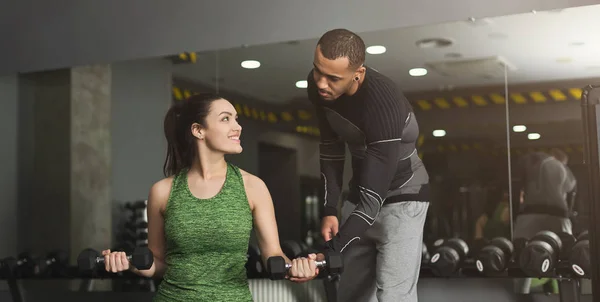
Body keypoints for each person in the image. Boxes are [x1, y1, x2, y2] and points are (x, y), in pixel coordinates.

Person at [101, 93, 319, 301]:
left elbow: (273, 255)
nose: (238, 127)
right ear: (198, 130)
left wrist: (297, 268)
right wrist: (129, 263)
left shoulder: (252, 187)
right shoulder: (163, 191)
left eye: (236, 119)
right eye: (226, 119)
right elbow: (159, 263)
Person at [307, 29, 430, 302]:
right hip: (360, 198)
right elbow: (331, 147)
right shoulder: (318, 88)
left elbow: (373, 200)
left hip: (402, 200)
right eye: (318, 71)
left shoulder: (383, 103)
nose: (321, 84)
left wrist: (330, 252)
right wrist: (330, 210)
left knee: (394, 296)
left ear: (358, 74)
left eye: (333, 78)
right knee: (350, 296)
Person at [512, 148, 577, 294]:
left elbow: (518, 187)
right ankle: (564, 294)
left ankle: (521, 295)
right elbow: (570, 189)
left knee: (523, 258)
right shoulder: (560, 167)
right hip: (557, 216)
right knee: (565, 259)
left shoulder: (531, 162)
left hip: (529, 216)